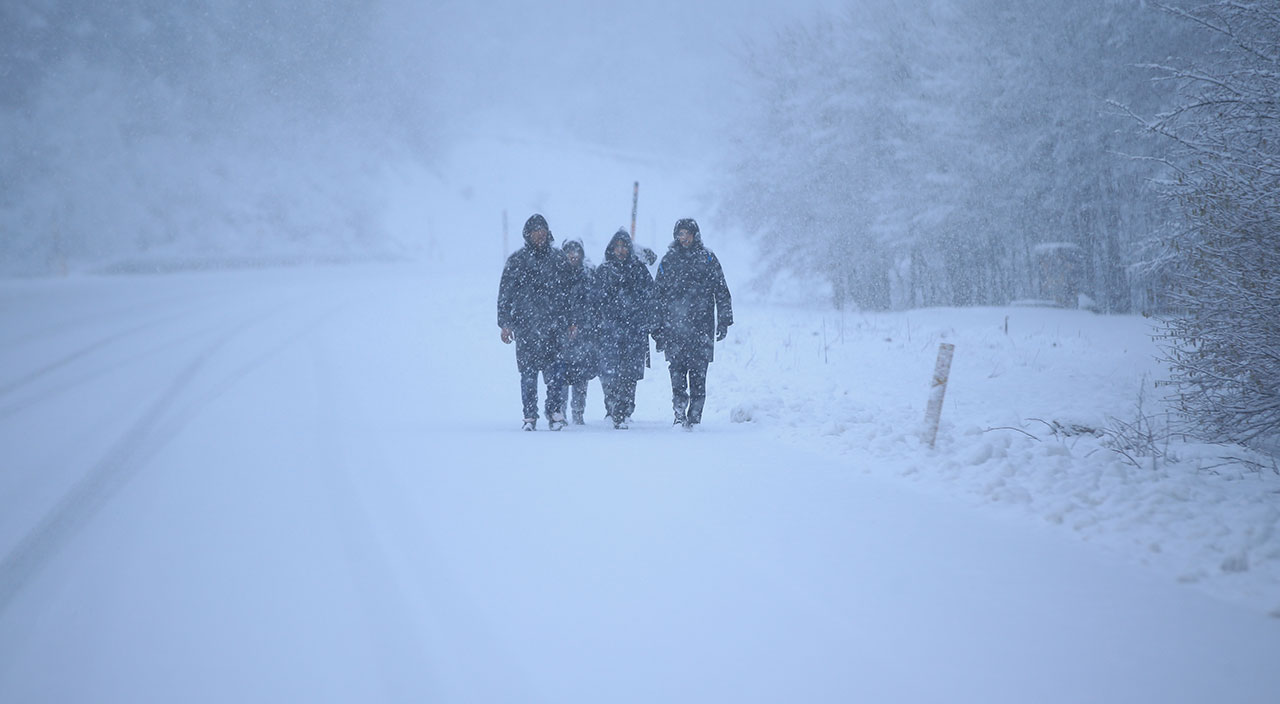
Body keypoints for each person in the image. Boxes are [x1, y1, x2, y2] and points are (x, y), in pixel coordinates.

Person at [652, 218, 733, 429]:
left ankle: (695, 417)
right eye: (681, 233)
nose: (684, 237)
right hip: (674, 329)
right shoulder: (668, 261)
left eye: (688, 233)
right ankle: (679, 414)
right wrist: (657, 328)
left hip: (701, 328)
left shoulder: (707, 258)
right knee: (676, 374)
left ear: (695, 235)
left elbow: (721, 290)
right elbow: (657, 296)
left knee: (699, 376)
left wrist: (724, 320)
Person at [497, 213, 574, 431]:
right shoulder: (517, 260)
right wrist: (505, 323)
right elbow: (505, 294)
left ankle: (555, 412)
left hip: (554, 327)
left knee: (556, 374)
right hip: (527, 328)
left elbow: (570, 294)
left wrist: (572, 320)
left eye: (542, 231)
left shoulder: (559, 259)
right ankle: (529, 415)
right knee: (528, 374)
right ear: (527, 234)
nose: (539, 235)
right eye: (535, 231)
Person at [594, 228, 654, 429]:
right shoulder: (603, 271)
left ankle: (626, 410)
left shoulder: (638, 270)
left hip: (634, 331)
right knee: (609, 373)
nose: (620, 250)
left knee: (629, 374)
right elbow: (593, 301)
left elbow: (651, 297)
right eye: (617, 246)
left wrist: (648, 320)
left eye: (624, 246)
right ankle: (612, 410)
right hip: (608, 332)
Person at [559, 239, 599, 425]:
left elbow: (594, 304)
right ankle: (560, 412)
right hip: (560, 334)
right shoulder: (556, 275)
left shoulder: (590, 275)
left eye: (576, 251)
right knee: (560, 374)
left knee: (581, 376)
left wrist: (581, 324)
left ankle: (578, 412)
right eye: (569, 251)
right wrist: (566, 323)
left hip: (585, 333)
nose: (573, 255)